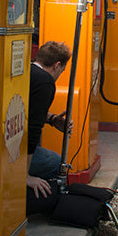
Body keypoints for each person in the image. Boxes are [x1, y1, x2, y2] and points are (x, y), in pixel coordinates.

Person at [26, 41, 72, 203]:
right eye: (62, 70)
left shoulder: (27, 71)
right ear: (57, 65)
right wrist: (25, 175)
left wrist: (52, 119)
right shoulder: (45, 82)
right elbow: (33, 128)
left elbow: (28, 109)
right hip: (15, 153)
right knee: (56, 163)